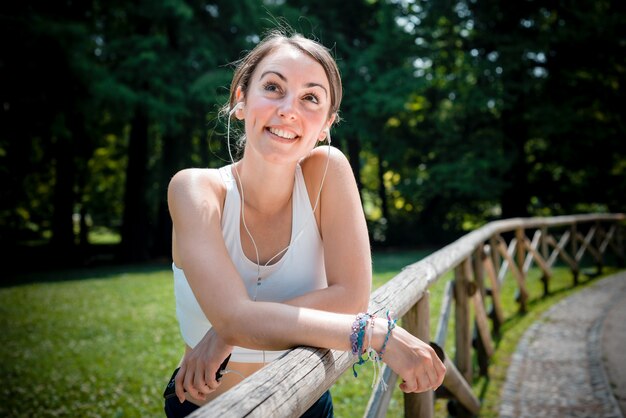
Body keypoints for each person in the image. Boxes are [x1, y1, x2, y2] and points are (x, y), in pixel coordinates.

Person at [164, 29, 446, 418]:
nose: (288, 110)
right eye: (273, 87)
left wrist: (229, 331)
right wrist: (373, 333)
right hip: (206, 408)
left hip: (307, 404)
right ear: (240, 100)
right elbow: (234, 317)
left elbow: (350, 297)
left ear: (327, 123)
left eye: (310, 97)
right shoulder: (194, 189)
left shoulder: (327, 172)